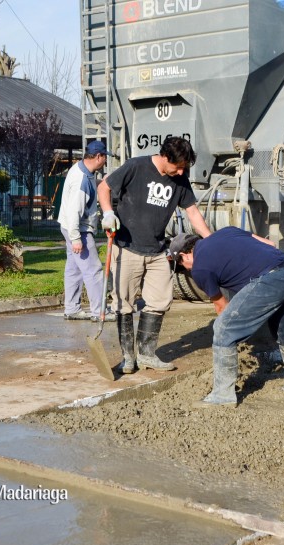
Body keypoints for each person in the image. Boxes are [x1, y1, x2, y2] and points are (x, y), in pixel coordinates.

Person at [97, 136, 211, 374]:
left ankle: (147, 354)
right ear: (165, 157)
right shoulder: (136, 166)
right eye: (178, 166)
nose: (181, 172)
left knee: (160, 301)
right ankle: (128, 357)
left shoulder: (180, 179)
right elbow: (103, 187)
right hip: (127, 247)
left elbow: (192, 212)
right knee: (123, 304)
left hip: (158, 250)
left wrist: (210, 239)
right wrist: (108, 213)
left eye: (184, 168)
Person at [169, 227, 284, 407]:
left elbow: (222, 308)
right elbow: (270, 244)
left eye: (181, 265)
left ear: (185, 255)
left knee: (223, 329)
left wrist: (234, 335)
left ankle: (222, 395)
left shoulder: (200, 268)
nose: (185, 269)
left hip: (270, 280)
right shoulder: (227, 232)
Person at [57, 140, 115, 322]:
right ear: (98, 157)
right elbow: (75, 211)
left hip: (68, 226)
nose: (105, 160)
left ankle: (72, 308)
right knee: (93, 269)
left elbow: (90, 184)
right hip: (77, 229)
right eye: (104, 157)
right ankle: (99, 312)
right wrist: (76, 239)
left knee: (74, 269)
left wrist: (101, 182)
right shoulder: (81, 180)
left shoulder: (82, 170)